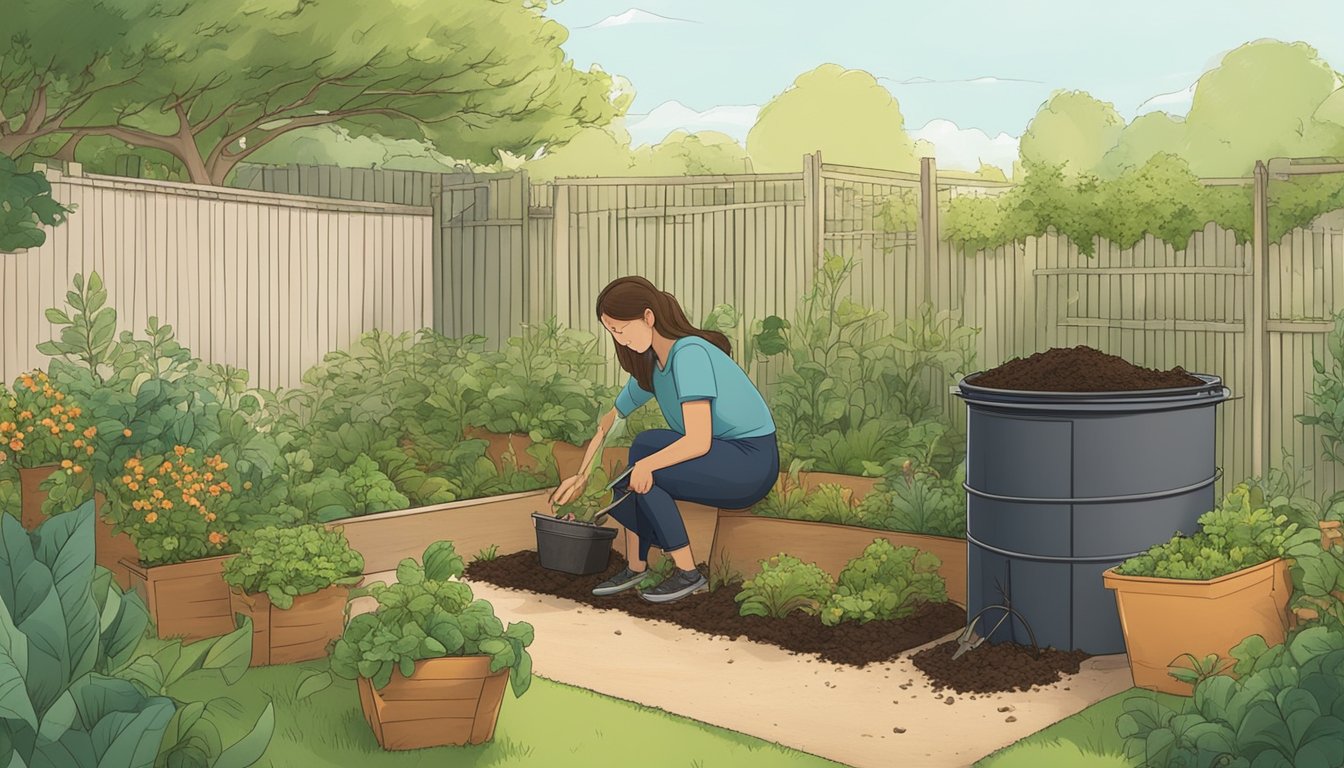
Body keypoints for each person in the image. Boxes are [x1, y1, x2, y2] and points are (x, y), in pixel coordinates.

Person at [550, 276, 780, 604]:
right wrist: (582, 474)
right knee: (643, 445)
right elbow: (609, 422)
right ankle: (636, 566)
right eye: (612, 332)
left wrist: (647, 466)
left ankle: (689, 573)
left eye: (621, 328)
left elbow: (698, 440)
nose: (620, 339)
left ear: (648, 317)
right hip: (722, 454)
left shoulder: (690, 354)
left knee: (645, 474)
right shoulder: (652, 366)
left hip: (750, 462)